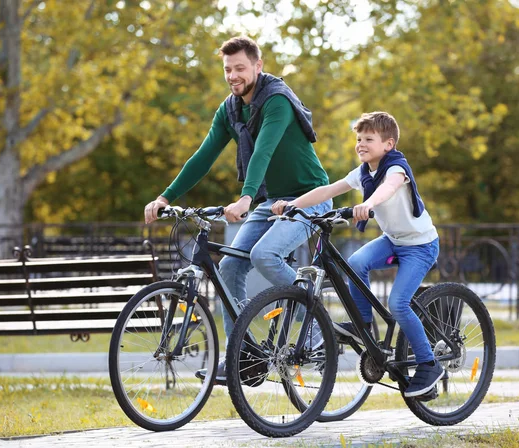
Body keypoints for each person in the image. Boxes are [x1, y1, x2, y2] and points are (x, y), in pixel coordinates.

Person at [143, 36, 331, 384]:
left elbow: (263, 150)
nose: (233, 75)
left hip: (310, 197)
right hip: (270, 201)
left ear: (258, 66)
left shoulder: (277, 100)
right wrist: (165, 197)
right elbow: (203, 156)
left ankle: (317, 324)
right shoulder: (230, 110)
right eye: (228, 69)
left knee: (265, 255)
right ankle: (243, 354)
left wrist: (246, 197)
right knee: (229, 268)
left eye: (240, 68)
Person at [272, 111, 441, 398]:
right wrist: (292, 204)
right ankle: (362, 324)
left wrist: (368, 204)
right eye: (359, 139)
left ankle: (429, 363)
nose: (361, 144)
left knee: (399, 303)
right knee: (356, 262)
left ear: (388, 144)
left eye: (368, 139)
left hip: (420, 245)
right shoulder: (362, 172)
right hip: (393, 240)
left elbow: (387, 189)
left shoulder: (396, 168)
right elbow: (327, 190)